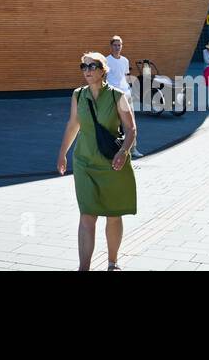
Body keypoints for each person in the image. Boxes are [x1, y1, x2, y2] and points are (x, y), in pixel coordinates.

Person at [56, 52, 137, 271]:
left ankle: (112, 261)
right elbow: (73, 124)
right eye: (84, 66)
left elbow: (131, 129)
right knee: (87, 215)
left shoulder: (117, 96)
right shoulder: (78, 95)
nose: (88, 70)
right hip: (84, 161)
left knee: (113, 214)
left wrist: (123, 151)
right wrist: (63, 152)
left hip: (112, 163)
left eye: (92, 66)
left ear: (103, 70)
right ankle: (84, 268)